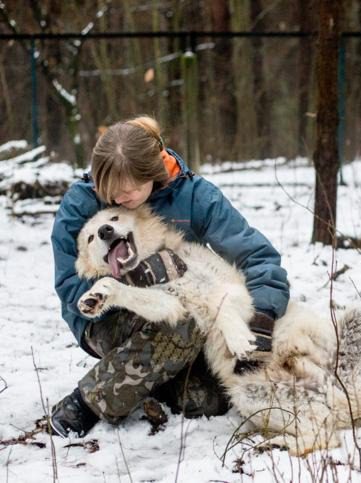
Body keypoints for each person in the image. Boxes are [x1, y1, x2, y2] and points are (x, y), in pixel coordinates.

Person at [48, 116, 290, 438]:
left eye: (129, 191)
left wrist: (262, 316)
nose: (119, 199)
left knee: (212, 399)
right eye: (110, 193)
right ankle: (87, 402)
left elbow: (256, 255)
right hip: (108, 317)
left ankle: (147, 384)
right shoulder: (80, 203)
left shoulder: (193, 195)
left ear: (152, 173)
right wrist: (133, 287)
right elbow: (70, 283)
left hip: (186, 301)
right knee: (182, 322)